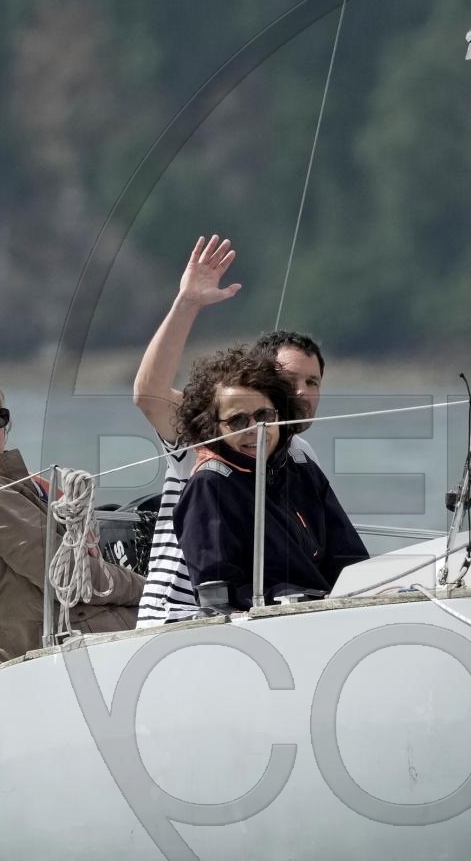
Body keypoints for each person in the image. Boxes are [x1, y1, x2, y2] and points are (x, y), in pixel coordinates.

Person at [130, 235, 352, 623]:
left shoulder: (301, 457)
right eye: (290, 380)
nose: (301, 392)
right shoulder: (208, 436)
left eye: (312, 382)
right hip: (181, 619)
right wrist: (188, 303)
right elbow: (149, 395)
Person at [0, 377, 144, 664]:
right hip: (71, 638)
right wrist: (152, 589)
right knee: (186, 603)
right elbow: (67, 577)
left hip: (57, 634)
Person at [172, 348, 368, 610]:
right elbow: (219, 595)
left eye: (264, 416)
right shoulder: (209, 486)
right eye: (238, 421)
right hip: (272, 619)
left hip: (326, 611)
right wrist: (303, 599)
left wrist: (365, 591)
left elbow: (349, 556)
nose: (256, 429)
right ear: (211, 427)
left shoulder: (300, 467)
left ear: (279, 414)